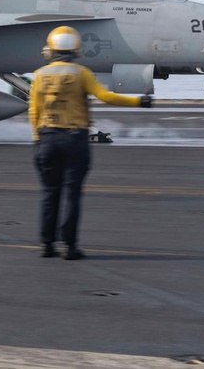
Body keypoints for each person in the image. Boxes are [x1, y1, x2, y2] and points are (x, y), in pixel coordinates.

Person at [28, 26, 150, 260]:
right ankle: (70, 248)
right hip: (75, 140)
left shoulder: (40, 75)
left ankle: (47, 245)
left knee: (50, 193)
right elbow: (106, 97)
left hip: (47, 139)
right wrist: (139, 101)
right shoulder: (81, 73)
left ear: (51, 49)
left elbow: (34, 110)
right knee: (72, 193)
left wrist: (37, 139)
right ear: (76, 49)